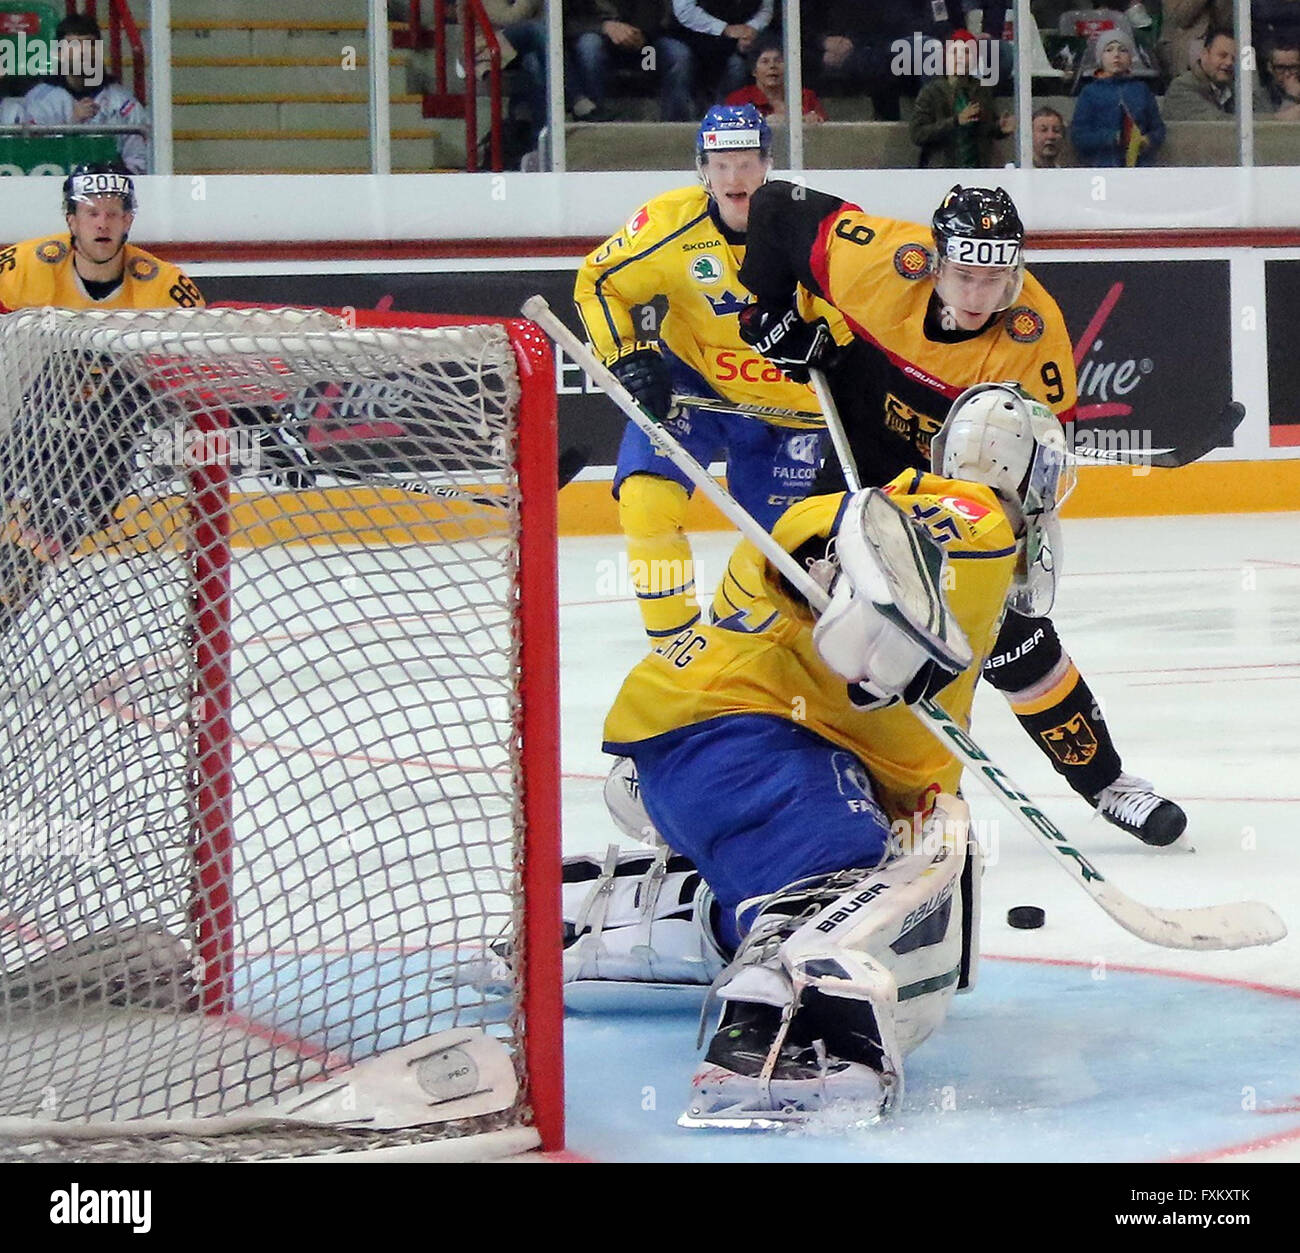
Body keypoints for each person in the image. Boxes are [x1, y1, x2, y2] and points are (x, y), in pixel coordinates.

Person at [565, 383, 1072, 1123]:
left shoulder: (944, 539)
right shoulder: (979, 518)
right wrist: (865, 583)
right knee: (847, 873)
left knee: (907, 872)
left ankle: (615, 918)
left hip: (704, 743)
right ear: (1029, 474)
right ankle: (780, 1041)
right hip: (741, 741)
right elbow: (849, 532)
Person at [727, 178, 1187, 847]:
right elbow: (771, 208)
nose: (978, 298)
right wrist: (765, 313)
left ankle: (1108, 783)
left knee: (1013, 639)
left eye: (995, 280)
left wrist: (1013, 556)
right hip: (859, 455)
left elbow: (1039, 465)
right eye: (964, 276)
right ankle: (747, 759)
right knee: (805, 607)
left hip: (958, 487)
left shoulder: (1035, 331)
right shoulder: (879, 260)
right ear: (935, 260)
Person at [573, 104, 848, 642]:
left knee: (779, 554)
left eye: (745, 162)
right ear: (702, 169)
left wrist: (832, 354)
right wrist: (625, 355)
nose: (733, 178)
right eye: (720, 164)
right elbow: (599, 280)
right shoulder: (669, 222)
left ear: (768, 164)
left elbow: (863, 313)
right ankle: (673, 649)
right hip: (695, 387)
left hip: (792, 412)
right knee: (647, 500)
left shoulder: (815, 226)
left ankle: (733, 638)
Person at [0, 165, 204, 630]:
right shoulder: (24, 266)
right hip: (21, 414)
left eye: (114, 212)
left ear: (129, 220)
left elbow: (197, 369)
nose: (102, 223)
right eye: (91, 212)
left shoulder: (164, 286)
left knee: (44, 540)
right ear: (71, 220)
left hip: (104, 441)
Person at [21, 13, 150, 174]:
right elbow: (29, 159)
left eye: (89, 44)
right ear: (58, 53)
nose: (82, 52)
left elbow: (138, 163)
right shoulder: (38, 100)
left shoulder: (123, 103)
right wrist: (71, 123)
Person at [564, 0, 695, 122]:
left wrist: (644, 34)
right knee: (589, 46)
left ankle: (674, 123)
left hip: (646, 48)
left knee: (678, 54)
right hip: (599, 42)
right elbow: (564, 23)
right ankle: (594, 116)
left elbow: (668, 16)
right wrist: (604, 27)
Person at [909, 29, 1014, 168]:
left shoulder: (982, 90)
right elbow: (918, 134)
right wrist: (955, 121)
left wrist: (999, 128)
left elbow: (986, 130)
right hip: (941, 172)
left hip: (977, 170)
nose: (960, 58)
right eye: (955, 52)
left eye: (966, 52)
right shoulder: (931, 92)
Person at [1070, 28, 1165, 166]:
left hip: (1140, 167)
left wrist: (1147, 140)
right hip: (1103, 167)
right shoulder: (1089, 92)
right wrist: (1112, 137)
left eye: (1123, 50)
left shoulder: (1142, 90)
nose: (1116, 55)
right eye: (1109, 50)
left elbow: (1158, 128)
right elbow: (1079, 136)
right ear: (1100, 58)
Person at [670, 0, 774, 104]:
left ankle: (725, 116)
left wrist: (751, 29)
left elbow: (765, 10)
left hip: (734, 43)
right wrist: (724, 28)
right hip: (687, 37)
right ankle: (679, 119)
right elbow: (684, 10)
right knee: (679, 58)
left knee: (738, 66)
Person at [723, 31, 828, 122]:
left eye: (778, 61)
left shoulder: (806, 97)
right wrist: (763, 122)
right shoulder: (738, 100)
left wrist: (814, 120)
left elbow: (826, 133)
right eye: (765, 61)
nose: (772, 66)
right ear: (754, 70)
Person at [1161, 26, 1240, 119]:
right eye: (1222, 55)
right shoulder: (1181, 87)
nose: (1229, 62)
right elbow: (1216, 125)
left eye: (1234, 59)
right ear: (1204, 54)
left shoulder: (1235, 90)